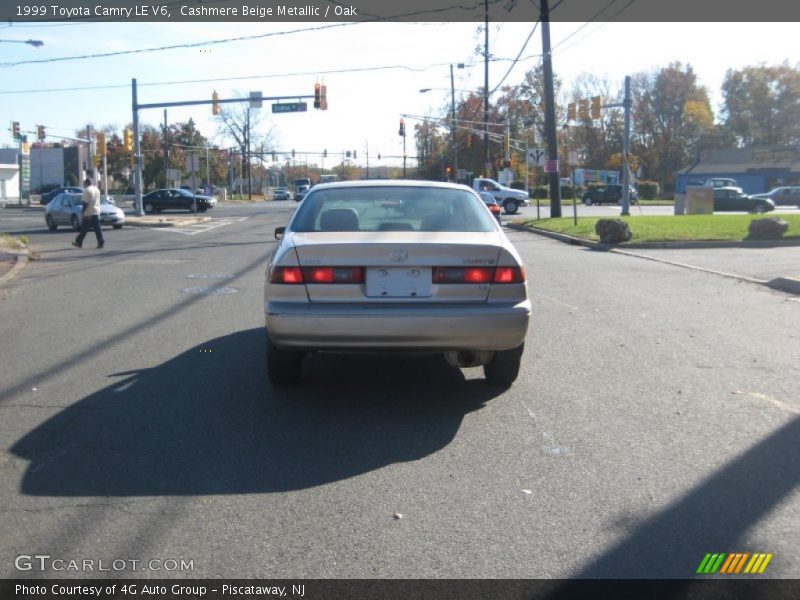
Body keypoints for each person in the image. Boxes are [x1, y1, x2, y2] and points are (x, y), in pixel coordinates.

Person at [72, 178, 104, 249]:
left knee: (84, 228)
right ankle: (101, 242)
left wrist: (83, 212)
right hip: (96, 211)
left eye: (84, 184)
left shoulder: (87, 190)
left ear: (86, 183)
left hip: (89, 212)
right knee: (97, 228)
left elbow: (85, 203)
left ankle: (79, 241)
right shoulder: (96, 189)